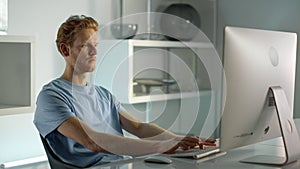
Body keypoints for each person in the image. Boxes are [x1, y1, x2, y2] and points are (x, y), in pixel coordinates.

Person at [33, 15, 215, 168]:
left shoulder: (103, 94)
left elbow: (138, 127)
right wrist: (161, 146)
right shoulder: (51, 97)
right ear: (65, 49)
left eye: (96, 44)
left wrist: (180, 140)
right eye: (85, 46)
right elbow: (93, 141)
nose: (95, 51)